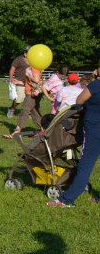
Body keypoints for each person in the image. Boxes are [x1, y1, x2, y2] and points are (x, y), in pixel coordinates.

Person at [47, 78, 100, 207]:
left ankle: (68, 199)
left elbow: (79, 100)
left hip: (95, 130)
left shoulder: (96, 85)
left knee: (85, 165)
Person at [5, 64, 44, 138]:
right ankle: (45, 130)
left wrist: (27, 74)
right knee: (35, 113)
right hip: (31, 93)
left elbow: (36, 80)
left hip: (31, 95)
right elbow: (29, 83)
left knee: (24, 111)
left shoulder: (34, 68)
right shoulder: (31, 68)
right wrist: (18, 82)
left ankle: (16, 132)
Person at [7, 47, 30, 118]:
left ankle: (29, 112)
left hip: (29, 82)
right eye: (25, 51)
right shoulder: (19, 59)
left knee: (30, 98)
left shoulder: (34, 60)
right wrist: (11, 78)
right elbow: (12, 69)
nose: (25, 53)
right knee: (19, 98)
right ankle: (12, 109)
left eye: (27, 52)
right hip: (19, 81)